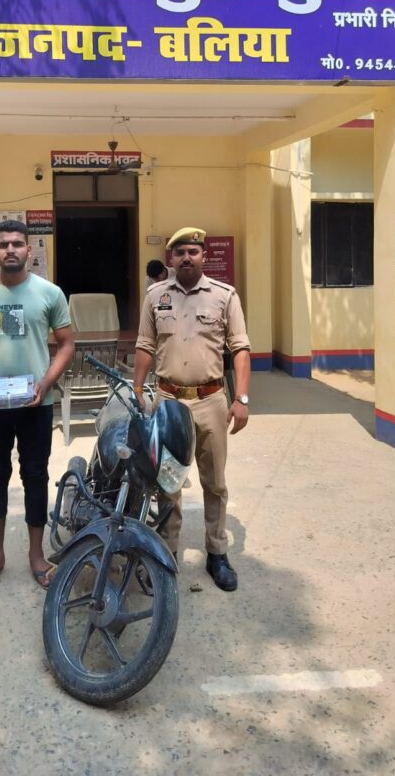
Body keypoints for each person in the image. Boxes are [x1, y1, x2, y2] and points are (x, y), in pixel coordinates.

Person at [0, 220, 74, 593]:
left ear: (29, 250)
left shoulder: (49, 293)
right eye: (4, 244)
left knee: (35, 476)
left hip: (36, 403)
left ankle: (36, 555)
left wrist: (46, 381)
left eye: (18, 244)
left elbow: (67, 344)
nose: (11, 249)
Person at [133, 226, 251, 592]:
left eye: (193, 251)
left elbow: (240, 349)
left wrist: (241, 398)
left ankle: (217, 552)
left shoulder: (224, 296)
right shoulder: (155, 296)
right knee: (168, 482)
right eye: (180, 252)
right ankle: (167, 552)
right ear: (171, 258)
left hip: (211, 400)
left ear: (203, 256)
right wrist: (137, 388)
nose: (187, 257)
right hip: (168, 400)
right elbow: (145, 344)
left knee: (214, 482)